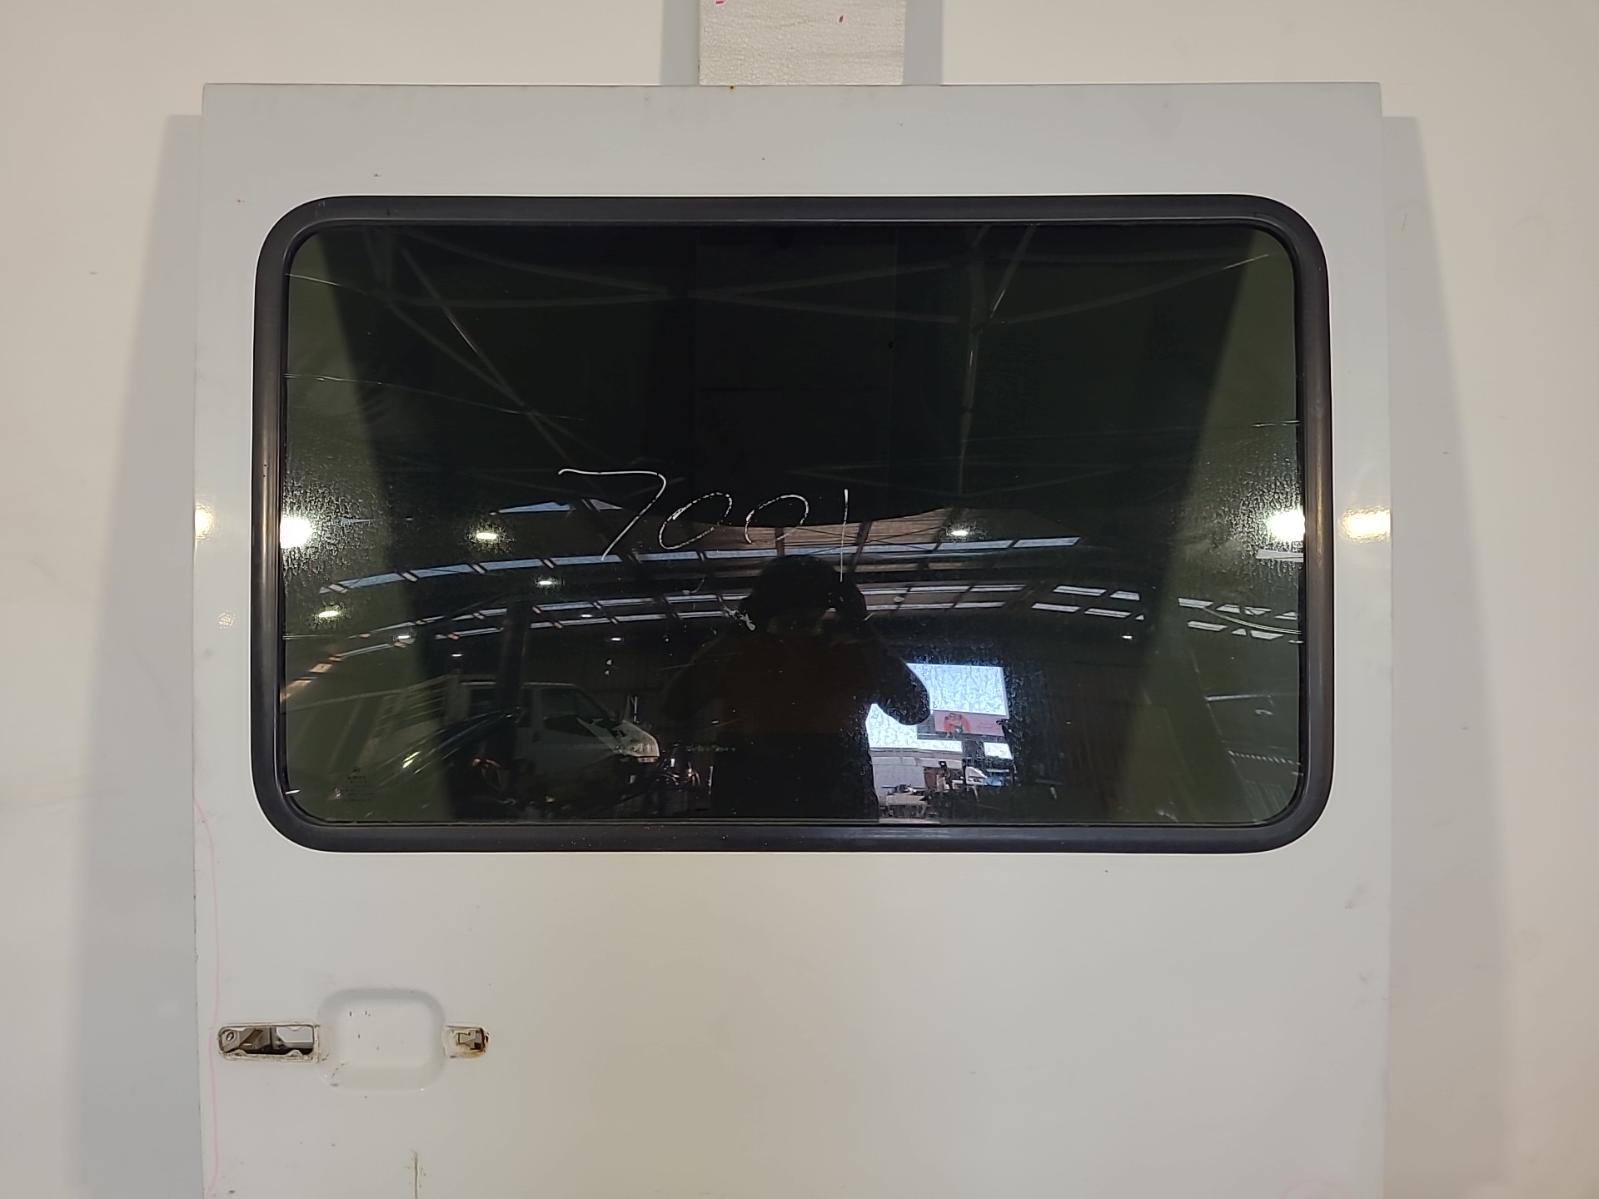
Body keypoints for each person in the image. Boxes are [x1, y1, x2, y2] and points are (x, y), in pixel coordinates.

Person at [660, 557, 930, 819]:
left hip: (754, 794)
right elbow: (914, 710)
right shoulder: (857, 655)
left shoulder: (737, 653)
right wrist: (861, 626)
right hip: (832, 793)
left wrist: (740, 628)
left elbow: (915, 710)